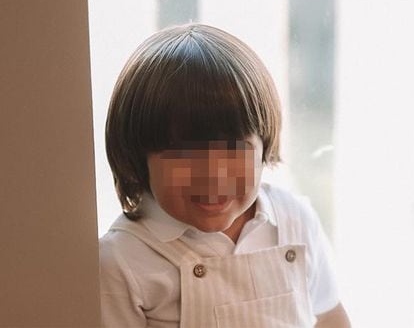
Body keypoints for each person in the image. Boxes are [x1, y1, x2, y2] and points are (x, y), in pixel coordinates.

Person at [98, 24, 351, 327]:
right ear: (138, 158)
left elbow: (330, 317)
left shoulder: (293, 219)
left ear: (263, 144)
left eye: (234, 150)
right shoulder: (121, 260)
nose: (214, 176)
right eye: (185, 154)